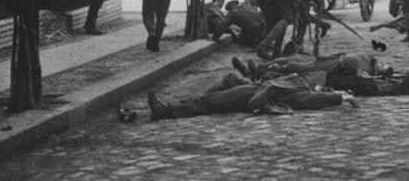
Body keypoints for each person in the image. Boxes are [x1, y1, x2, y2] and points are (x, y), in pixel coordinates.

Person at [146, 71, 357, 120]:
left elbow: (314, 101)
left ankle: (166, 111)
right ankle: (179, 103)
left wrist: (341, 98)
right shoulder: (298, 81)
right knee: (228, 81)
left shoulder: (297, 93)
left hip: (252, 96)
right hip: (253, 87)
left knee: (211, 103)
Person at [234, 52, 409, 97]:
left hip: (323, 73)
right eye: (382, 63)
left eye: (383, 66)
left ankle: (396, 89)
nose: (380, 64)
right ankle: (256, 71)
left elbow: (359, 75)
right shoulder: (366, 59)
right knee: (290, 62)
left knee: (357, 85)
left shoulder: (365, 69)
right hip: (323, 67)